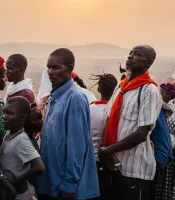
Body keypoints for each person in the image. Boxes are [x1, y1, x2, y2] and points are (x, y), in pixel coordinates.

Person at [99, 45, 162, 200]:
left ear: (147, 63)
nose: (130, 57)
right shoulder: (121, 87)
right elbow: (109, 119)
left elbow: (141, 133)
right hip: (114, 165)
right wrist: (105, 150)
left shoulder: (149, 90)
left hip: (135, 169)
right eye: (130, 53)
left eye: (136, 54)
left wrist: (108, 150)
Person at [37, 48, 99, 200]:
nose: (50, 72)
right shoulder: (55, 96)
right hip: (51, 180)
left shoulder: (75, 98)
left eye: (56, 67)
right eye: (49, 67)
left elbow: (77, 146)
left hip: (65, 186)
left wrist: (69, 185)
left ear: (70, 69)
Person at [0, 97, 45, 200]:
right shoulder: (8, 133)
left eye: (10, 113)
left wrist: (17, 182)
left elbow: (39, 167)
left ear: (23, 117)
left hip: (22, 196)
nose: (4, 117)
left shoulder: (21, 140)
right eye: (4, 112)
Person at [90, 73, 118, 198]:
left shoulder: (89, 108)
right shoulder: (114, 110)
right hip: (105, 160)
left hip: (89, 159)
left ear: (98, 89)